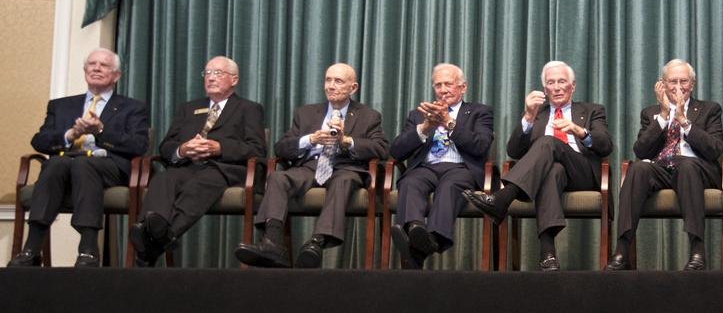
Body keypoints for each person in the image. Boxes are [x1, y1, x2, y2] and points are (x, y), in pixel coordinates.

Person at [235, 63, 388, 268]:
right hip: (309, 167)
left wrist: (346, 141)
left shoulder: (368, 116)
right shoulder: (306, 113)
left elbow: (381, 149)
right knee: (278, 177)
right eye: (328, 80)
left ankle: (316, 243)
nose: (331, 86)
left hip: (345, 169)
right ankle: (272, 244)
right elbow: (281, 148)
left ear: (353, 88)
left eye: (338, 81)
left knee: (343, 181)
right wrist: (310, 139)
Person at [463, 60, 612, 271]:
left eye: (562, 81)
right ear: (545, 89)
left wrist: (578, 130)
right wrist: (528, 117)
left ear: (573, 85)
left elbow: (605, 145)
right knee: (552, 172)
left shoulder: (592, 110)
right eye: (551, 83)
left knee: (548, 142)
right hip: (548, 175)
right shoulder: (538, 114)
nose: (557, 87)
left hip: (582, 172)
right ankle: (547, 253)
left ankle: (504, 197)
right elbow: (513, 151)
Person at [8, 49, 149, 267]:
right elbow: (39, 141)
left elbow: (139, 145)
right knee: (55, 163)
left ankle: (88, 248)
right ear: (85, 71)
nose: (96, 68)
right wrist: (69, 135)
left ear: (117, 75)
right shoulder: (61, 105)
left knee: (83, 164)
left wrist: (100, 131)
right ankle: (31, 249)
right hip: (65, 163)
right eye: (92, 64)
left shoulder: (132, 107)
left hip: (109, 166)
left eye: (103, 65)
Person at [130, 55, 267, 267]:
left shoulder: (248, 108)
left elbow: (257, 149)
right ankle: (151, 230)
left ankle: (153, 243)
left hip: (225, 169)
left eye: (218, 73)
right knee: (164, 179)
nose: (211, 78)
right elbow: (166, 146)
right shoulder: (188, 107)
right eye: (207, 73)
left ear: (234, 79)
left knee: (203, 183)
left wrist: (219, 148)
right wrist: (183, 150)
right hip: (187, 166)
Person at [606, 59, 723, 271]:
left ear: (693, 84)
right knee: (638, 167)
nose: (678, 86)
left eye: (684, 81)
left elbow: (715, 149)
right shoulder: (650, 112)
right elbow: (641, 151)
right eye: (672, 81)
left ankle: (697, 251)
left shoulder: (709, 109)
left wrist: (684, 122)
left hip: (695, 170)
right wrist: (662, 116)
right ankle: (622, 250)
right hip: (661, 168)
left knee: (686, 165)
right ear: (662, 84)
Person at [387, 63, 493, 269]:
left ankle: (427, 243)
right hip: (425, 168)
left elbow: (480, 146)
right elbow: (397, 151)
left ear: (463, 87)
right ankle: (416, 229)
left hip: (460, 168)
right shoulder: (418, 115)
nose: (443, 90)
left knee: (450, 186)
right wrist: (425, 127)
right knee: (409, 182)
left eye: (448, 84)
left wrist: (448, 122)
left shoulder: (480, 112)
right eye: (438, 85)